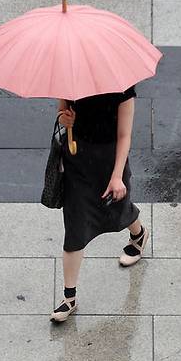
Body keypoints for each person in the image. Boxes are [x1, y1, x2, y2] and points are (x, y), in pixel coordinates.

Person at [49, 84, 149, 323]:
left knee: (117, 209)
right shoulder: (69, 79)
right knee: (76, 225)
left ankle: (139, 234)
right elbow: (62, 114)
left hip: (109, 161)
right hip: (78, 161)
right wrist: (66, 121)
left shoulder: (123, 89)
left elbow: (124, 135)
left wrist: (117, 176)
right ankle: (69, 297)